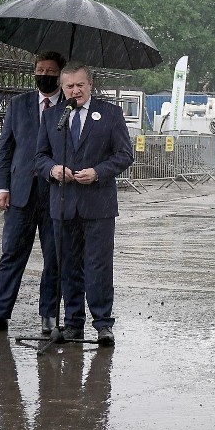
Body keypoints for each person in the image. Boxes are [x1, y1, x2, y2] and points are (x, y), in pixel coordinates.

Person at [35, 61, 133, 346]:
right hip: (63, 204)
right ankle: (73, 323)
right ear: (62, 88)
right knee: (67, 266)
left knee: (98, 266)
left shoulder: (110, 113)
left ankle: (103, 324)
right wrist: (53, 170)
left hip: (98, 204)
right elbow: (40, 156)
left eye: (80, 85)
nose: (75, 90)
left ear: (90, 84)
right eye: (69, 86)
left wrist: (98, 172)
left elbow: (124, 155)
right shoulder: (55, 116)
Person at [0, 51, 66, 335]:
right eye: (40, 69)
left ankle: (48, 316)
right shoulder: (18, 104)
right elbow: (5, 149)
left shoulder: (70, 107)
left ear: (60, 75)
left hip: (56, 194)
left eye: (51, 70)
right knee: (12, 254)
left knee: (55, 258)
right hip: (20, 194)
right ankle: (0, 314)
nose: (44, 74)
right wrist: (1, 187)